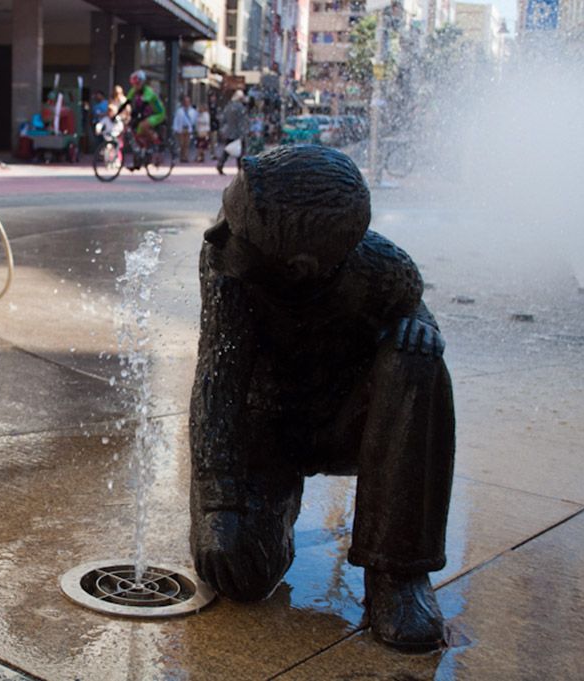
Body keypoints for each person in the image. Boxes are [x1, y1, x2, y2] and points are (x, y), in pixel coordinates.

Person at [191, 145, 454, 652]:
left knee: (417, 355)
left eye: (238, 229)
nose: (215, 233)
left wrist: (420, 327)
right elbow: (216, 381)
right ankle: (272, 509)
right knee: (238, 573)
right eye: (228, 209)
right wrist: (216, 507)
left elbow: (417, 310)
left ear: (298, 268)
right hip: (267, 428)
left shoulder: (384, 270)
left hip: (343, 424)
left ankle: (397, 575)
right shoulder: (226, 264)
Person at [122, 70, 165, 150]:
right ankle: (144, 148)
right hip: (146, 113)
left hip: (157, 113)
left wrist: (136, 114)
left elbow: (144, 105)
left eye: (137, 84)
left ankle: (157, 141)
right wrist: (115, 115)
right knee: (136, 131)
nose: (136, 86)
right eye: (134, 84)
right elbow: (125, 103)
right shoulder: (134, 90)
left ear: (142, 82)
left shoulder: (148, 91)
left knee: (143, 125)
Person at [216, 89, 246, 175]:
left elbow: (223, 119)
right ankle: (240, 169)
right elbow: (241, 122)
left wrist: (224, 129)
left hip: (229, 131)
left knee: (227, 149)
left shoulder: (228, 106)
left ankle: (220, 164)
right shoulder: (240, 108)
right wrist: (242, 133)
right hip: (237, 132)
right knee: (239, 151)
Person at [172, 95, 197, 163]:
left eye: (188, 101)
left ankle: (185, 157)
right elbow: (176, 120)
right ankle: (181, 156)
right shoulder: (179, 111)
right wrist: (175, 128)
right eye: (185, 101)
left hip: (188, 129)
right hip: (181, 129)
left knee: (187, 144)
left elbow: (194, 120)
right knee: (181, 143)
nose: (187, 103)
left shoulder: (192, 111)